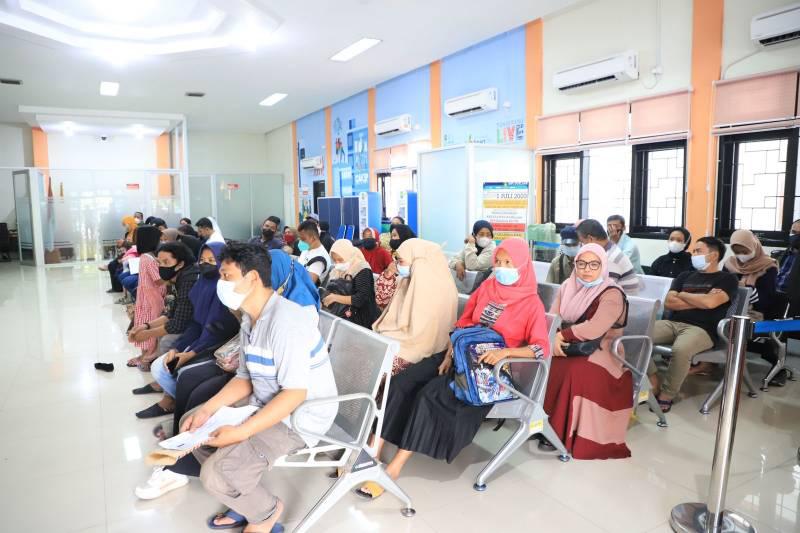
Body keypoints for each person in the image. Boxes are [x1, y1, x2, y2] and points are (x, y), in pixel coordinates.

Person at [359, 238, 548, 498]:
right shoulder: (488, 287)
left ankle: (393, 470)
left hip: (487, 371)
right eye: (499, 262)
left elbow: (540, 348)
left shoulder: (531, 303)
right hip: (458, 354)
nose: (502, 268)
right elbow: (464, 322)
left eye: (509, 263)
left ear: (523, 266)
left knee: (429, 396)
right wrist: (449, 353)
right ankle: (372, 452)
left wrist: (505, 353)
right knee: (401, 384)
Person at [185, 243, 336, 531]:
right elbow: (245, 377)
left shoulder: (286, 321)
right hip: (269, 402)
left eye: (226, 276)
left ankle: (265, 513)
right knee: (195, 426)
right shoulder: (250, 320)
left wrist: (242, 431)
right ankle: (243, 495)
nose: (220, 283)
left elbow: (294, 394)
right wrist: (207, 410)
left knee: (215, 475)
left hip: (300, 417)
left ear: (253, 278)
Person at [543, 243, 632, 459]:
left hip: (604, 349)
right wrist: (552, 337)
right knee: (545, 361)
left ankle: (562, 431)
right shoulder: (567, 286)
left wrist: (560, 336)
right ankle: (543, 424)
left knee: (573, 370)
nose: (586, 269)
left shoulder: (612, 293)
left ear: (603, 266)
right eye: (581, 264)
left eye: (594, 264)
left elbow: (595, 328)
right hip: (567, 342)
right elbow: (553, 316)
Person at [135, 241, 237, 419]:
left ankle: (176, 403)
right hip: (201, 339)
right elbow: (196, 323)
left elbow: (216, 330)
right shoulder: (201, 284)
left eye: (212, 260)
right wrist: (178, 348)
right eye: (202, 260)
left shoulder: (223, 289)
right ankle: (176, 399)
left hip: (217, 345)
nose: (205, 264)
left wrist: (190, 353)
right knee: (162, 365)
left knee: (176, 370)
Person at [647, 237, 738, 412]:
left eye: (698, 251)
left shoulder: (727, 279)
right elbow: (669, 303)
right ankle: (653, 380)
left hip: (702, 330)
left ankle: (667, 395)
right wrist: (702, 298)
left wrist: (683, 295)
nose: (693, 254)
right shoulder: (684, 276)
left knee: (681, 349)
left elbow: (711, 303)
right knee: (635, 335)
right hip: (673, 323)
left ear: (713, 255)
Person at [373, 238, 457, 375]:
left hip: (418, 345)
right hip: (401, 337)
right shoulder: (408, 280)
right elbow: (382, 301)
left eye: (401, 261)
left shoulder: (437, 288)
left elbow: (419, 334)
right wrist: (388, 274)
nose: (397, 265)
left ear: (418, 263)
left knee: (376, 364)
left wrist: (391, 334)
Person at [723, 229, 784, 385]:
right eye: (737, 251)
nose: (741, 255)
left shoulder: (768, 266)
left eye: (745, 251)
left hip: (755, 312)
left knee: (734, 326)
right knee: (706, 319)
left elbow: (766, 300)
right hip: (729, 309)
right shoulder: (730, 263)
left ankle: (738, 369)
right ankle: (706, 362)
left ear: (754, 246)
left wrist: (746, 290)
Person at [128, 241, 198, 371]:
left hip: (198, 326)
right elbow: (171, 313)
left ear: (180, 263)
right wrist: (145, 326)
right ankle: (158, 363)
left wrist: (147, 334)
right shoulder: (181, 277)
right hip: (189, 322)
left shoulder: (189, 280)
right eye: (159, 263)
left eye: (166, 262)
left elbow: (178, 324)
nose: (161, 267)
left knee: (166, 340)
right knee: (161, 333)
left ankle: (166, 374)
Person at [126, 226, 168, 369]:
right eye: (159, 240)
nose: (161, 243)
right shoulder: (149, 259)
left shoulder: (145, 257)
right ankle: (147, 357)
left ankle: (144, 355)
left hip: (146, 296)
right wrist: (172, 277)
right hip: (152, 298)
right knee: (150, 325)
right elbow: (158, 280)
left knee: (145, 322)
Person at [322, 239, 381, 328]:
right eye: (334, 260)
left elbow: (361, 299)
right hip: (342, 313)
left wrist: (335, 298)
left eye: (340, 260)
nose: (337, 263)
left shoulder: (362, 269)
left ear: (349, 255)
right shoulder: (337, 270)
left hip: (361, 317)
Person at [576, 219, 640, 294]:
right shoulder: (609, 248)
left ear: (590, 239)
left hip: (624, 299)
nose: (582, 247)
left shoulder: (610, 258)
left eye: (582, 242)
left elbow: (602, 291)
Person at [375, 224, 417, 308]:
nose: (392, 239)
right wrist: (389, 275)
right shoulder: (394, 255)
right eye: (391, 236)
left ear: (404, 235)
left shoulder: (416, 256)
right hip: (397, 303)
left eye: (394, 236)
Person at [100, 215, 139, 292]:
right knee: (112, 265)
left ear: (130, 223)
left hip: (133, 255)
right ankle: (115, 287)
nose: (125, 227)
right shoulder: (127, 233)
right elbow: (126, 244)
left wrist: (124, 243)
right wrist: (120, 244)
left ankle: (117, 288)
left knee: (113, 266)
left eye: (126, 225)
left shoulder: (137, 232)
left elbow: (136, 245)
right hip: (126, 253)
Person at [297, 219, 332, 285]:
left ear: (313, 238)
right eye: (299, 238)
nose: (300, 241)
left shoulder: (319, 259)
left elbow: (307, 284)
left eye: (303, 239)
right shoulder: (306, 249)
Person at [777, 219, 800, 293]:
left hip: (790, 297)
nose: (796, 236)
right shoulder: (786, 252)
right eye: (793, 232)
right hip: (774, 292)